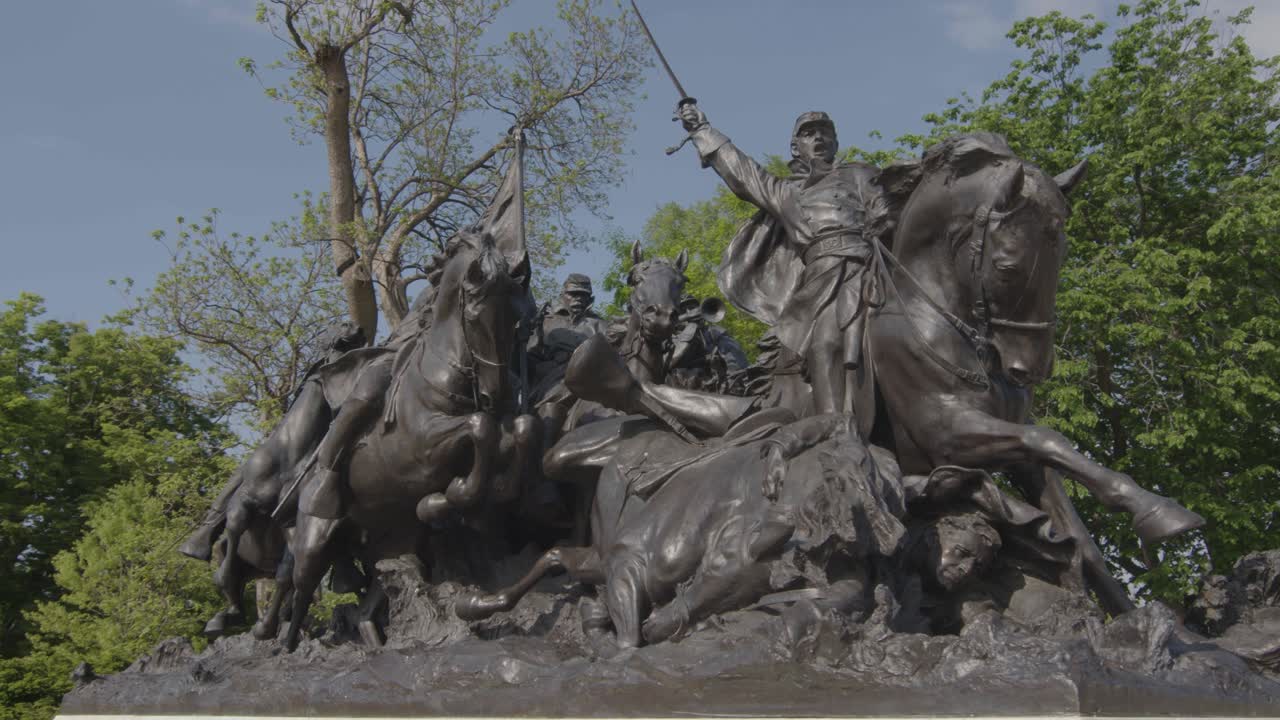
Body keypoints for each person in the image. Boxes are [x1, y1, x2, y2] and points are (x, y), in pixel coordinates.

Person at [678, 104, 886, 415]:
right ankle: (835, 424)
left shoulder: (861, 173)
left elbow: (888, 213)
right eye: (808, 133)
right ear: (795, 147)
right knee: (825, 343)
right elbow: (744, 174)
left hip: (874, 266)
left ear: (836, 142)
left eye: (825, 132)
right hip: (825, 279)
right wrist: (702, 130)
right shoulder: (787, 193)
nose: (818, 137)